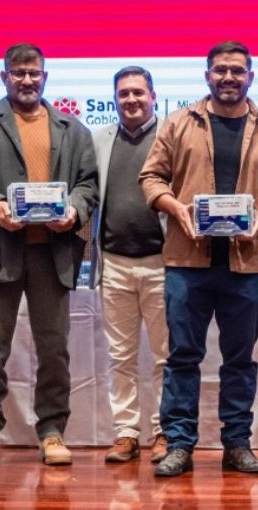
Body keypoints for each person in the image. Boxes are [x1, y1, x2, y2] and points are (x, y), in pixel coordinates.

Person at [138, 41, 258, 478]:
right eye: (220, 70)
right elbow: (150, 177)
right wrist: (176, 208)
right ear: (207, 75)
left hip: (247, 264)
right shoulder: (178, 123)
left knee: (240, 360)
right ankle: (179, 444)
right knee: (182, 357)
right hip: (187, 262)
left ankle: (237, 444)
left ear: (250, 77)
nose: (228, 77)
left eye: (237, 71)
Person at [0, 43, 98, 468]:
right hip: (0, 252)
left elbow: (88, 184)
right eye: (18, 73)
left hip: (53, 257)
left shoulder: (73, 129)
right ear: (4, 77)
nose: (27, 80)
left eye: (34, 72)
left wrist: (74, 210)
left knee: (54, 350)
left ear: (45, 76)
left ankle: (52, 431)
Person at [89, 66, 169, 464]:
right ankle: (126, 433)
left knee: (165, 356)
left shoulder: (170, 135)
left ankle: (165, 431)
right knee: (120, 357)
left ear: (153, 96)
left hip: (162, 262)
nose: (131, 100)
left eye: (139, 92)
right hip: (115, 262)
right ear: (115, 99)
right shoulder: (99, 140)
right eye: (124, 94)